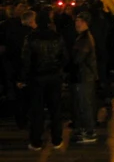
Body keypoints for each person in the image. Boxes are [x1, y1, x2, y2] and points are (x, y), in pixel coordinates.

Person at [18, 10, 69, 150]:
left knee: (37, 110)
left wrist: (23, 77)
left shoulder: (31, 38)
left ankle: (36, 141)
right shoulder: (57, 37)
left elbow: (26, 60)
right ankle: (56, 139)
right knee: (55, 109)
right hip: (53, 76)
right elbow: (64, 57)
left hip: (36, 77)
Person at [71, 12, 99, 144]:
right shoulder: (84, 37)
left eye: (80, 21)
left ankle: (89, 131)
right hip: (85, 75)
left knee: (85, 104)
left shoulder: (85, 39)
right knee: (85, 103)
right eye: (76, 21)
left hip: (84, 75)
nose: (77, 24)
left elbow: (78, 58)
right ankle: (87, 129)